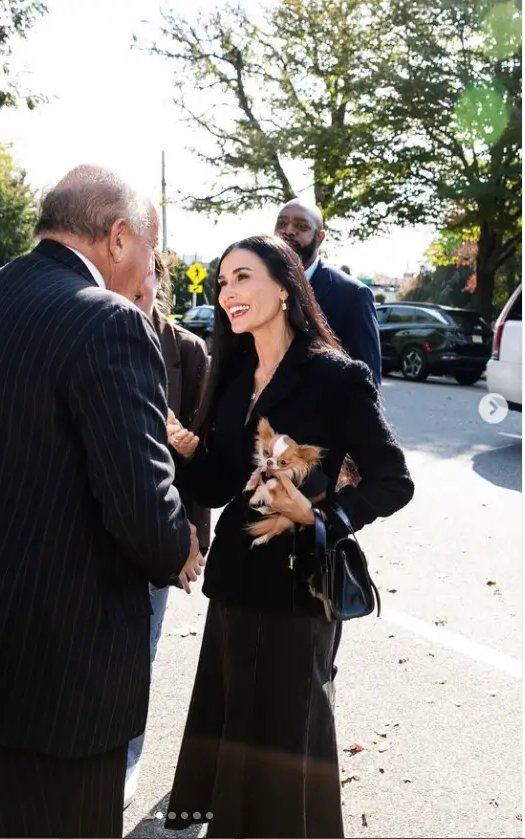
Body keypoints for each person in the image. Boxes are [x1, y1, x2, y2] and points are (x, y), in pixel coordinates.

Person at [0, 164, 206, 839]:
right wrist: (179, 538)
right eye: (151, 255)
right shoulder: (105, 321)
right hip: (59, 683)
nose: (148, 276)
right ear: (119, 237)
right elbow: (143, 511)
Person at [163, 235, 413, 838]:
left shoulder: (336, 377)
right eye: (222, 282)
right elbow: (223, 484)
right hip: (235, 584)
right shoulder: (232, 376)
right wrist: (188, 454)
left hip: (301, 590)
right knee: (238, 732)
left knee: (288, 738)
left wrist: (323, 519)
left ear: (284, 286)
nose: (227, 293)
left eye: (242, 278)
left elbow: (393, 481)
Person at [124, 252, 211, 808]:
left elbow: (202, 458)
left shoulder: (187, 351)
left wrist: (190, 536)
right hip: (96, 527)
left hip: (161, 526)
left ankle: (125, 760)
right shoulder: (88, 328)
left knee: (140, 654)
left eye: (149, 273)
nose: (138, 284)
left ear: (160, 277)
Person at [275, 199, 382, 387]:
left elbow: (367, 382)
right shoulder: (257, 284)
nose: (289, 230)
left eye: (301, 226)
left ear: (319, 237)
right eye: (282, 223)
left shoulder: (352, 295)